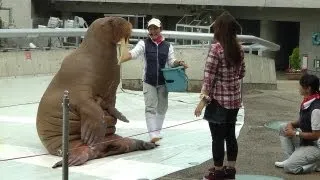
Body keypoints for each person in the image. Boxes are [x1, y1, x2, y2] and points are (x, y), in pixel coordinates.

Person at [119, 18, 188, 143]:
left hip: (163, 82)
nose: (153, 31)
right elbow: (133, 54)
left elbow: (171, 62)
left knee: (162, 108)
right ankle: (152, 134)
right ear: (148, 30)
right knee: (150, 108)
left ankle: (157, 131)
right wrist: (125, 52)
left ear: (160, 29)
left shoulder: (168, 46)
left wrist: (178, 62)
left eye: (155, 28)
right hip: (149, 81)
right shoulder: (143, 44)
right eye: (150, 28)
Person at [194, 11, 245, 180]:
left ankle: (217, 171)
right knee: (230, 135)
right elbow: (241, 73)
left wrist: (202, 102)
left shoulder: (216, 49)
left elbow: (209, 77)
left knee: (217, 138)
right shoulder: (239, 48)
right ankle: (230, 169)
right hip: (235, 101)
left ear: (219, 29)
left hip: (218, 102)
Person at [275, 73, 320, 174]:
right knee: (284, 127)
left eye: (300, 85)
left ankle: (315, 164)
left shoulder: (316, 109)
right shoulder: (309, 101)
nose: (298, 87)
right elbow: (304, 121)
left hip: (316, 146)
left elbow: (316, 135)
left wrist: (295, 133)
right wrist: (291, 124)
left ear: (308, 88)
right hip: (307, 141)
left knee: (289, 167)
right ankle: (292, 159)